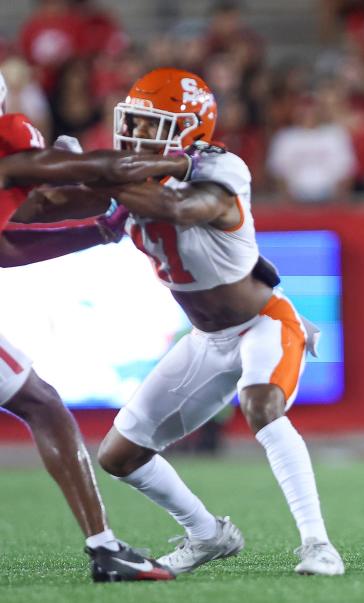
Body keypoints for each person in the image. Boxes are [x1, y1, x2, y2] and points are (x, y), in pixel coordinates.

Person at [42, 68, 343, 576]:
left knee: (261, 405)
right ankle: (208, 534)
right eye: (132, 122)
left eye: (149, 124)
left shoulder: (221, 169)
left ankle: (318, 545)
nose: (135, 135)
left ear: (189, 130)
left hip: (262, 321)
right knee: (119, 455)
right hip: (208, 337)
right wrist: (50, 173)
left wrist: (95, 171)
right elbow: (53, 206)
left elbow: (177, 207)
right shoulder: (131, 175)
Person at [0, 72, 175, 582]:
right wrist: (180, 162)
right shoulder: (13, 143)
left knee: (42, 402)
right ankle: (105, 548)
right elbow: (91, 172)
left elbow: (26, 224)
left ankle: (106, 547)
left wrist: (99, 221)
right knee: (44, 405)